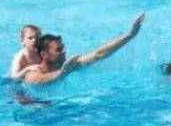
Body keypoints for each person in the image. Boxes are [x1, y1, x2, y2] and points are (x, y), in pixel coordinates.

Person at [14, 13, 146, 88]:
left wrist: (130, 35)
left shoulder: (67, 65)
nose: (64, 52)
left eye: (63, 47)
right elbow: (42, 80)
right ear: (44, 54)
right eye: (58, 49)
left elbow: (98, 54)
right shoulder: (33, 73)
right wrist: (62, 73)